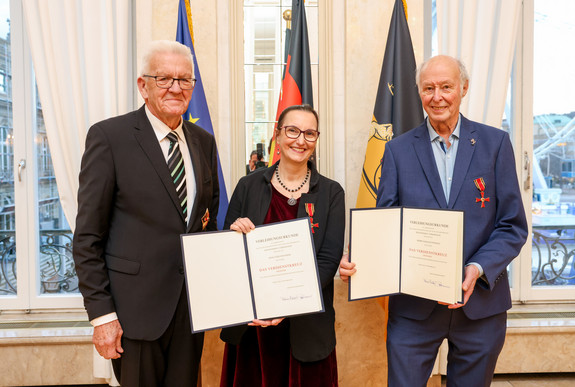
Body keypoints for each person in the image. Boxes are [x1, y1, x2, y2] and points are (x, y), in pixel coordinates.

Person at [340, 55, 528, 387]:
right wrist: (359, 259)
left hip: (480, 307)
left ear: (463, 88)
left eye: (446, 86)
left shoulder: (495, 144)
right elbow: (385, 223)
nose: (437, 96)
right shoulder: (397, 150)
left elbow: (512, 225)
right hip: (414, 310)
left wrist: (478, 268)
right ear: (419, 93)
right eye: (428, 88)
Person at [72, 40, 220, 386]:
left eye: (184, 80)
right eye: (164, 78)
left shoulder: (203, 141)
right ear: (143, 85)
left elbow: (205, 223)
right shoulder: (110, 137)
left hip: (189, 313)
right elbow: (87, 239)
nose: (175, 88)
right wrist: (102, 316)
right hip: (133, 316)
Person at [220, 104, 345, 387]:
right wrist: (233, 233)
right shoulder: (248, 185)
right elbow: (228, 255)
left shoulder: (331, 193)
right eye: (292, 130)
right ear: (277, 134)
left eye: (310, 133)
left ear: (316, 139)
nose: (300, 140)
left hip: (307, 327)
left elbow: (327, 260)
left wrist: (285, 303)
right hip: (252, 327)